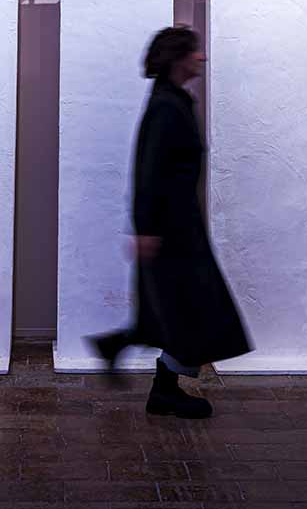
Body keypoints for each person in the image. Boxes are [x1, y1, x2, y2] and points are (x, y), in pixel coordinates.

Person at [90, 27, 252, 419]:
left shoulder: (173, 100)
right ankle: (160, 386)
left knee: (181, 307)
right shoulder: (166, 105)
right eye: (194, 52)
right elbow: (148, 170)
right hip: (171, 229)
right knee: (193, 307)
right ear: (178, 59)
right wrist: (146, 228)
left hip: (179, 225)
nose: (202, 57)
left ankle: (140, 366)